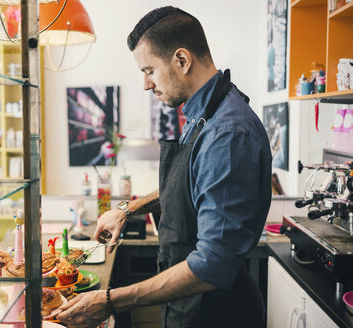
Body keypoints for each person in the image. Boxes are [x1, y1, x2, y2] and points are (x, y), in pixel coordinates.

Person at [57, 6, 272, 328]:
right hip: (189, 302)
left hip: (216, 312)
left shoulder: (227, 133)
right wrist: (128, 209)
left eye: (149, 71)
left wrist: (109, 300)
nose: (146, 84)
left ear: (182, 60)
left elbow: (213, 263)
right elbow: (191, 184)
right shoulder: (205, 114)